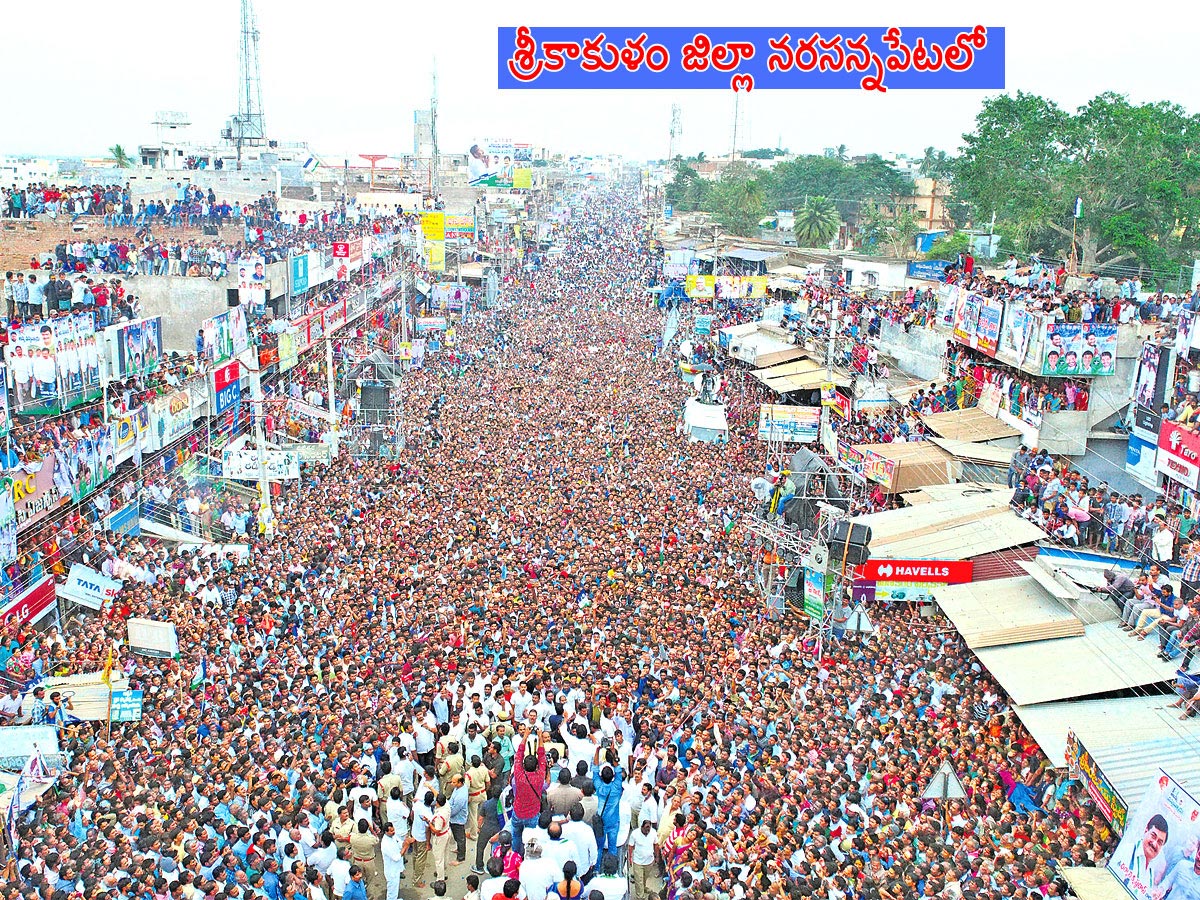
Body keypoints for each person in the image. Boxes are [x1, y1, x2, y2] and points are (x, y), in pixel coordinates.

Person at [627, 819, 657, 900]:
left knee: (644, 877)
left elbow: (655, 844)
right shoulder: (635, 834)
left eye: (649, 829)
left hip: (649, 861)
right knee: (638, 880)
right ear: (642, 827)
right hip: (638, 862)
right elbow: (630, 847)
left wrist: (656, 856)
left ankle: (643, 888)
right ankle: (640, 896)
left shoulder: (653, 832)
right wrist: (630, 858)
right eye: (646, 828)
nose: (647, 831)